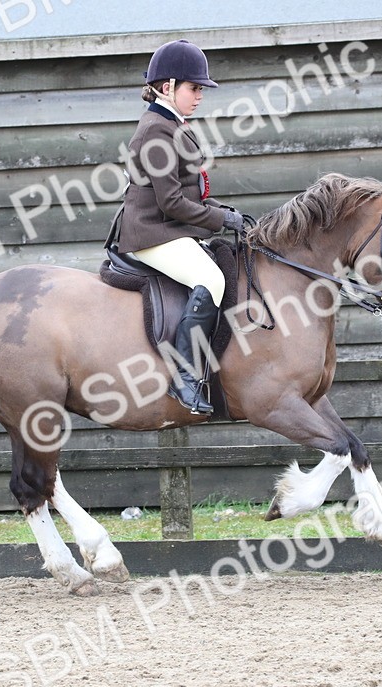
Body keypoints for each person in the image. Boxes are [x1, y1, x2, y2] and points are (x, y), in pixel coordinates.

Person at [115, 39, 244, 416]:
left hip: (169, 226)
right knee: (213, 279)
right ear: (167, 86)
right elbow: (171, 202)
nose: (200, 95)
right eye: (194, 87)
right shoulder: (156, 130)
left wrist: (228, 212)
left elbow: (192, 194)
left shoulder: (173, 125)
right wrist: (221, 220)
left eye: (201, 88)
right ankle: (184, 378)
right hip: (151, 231)